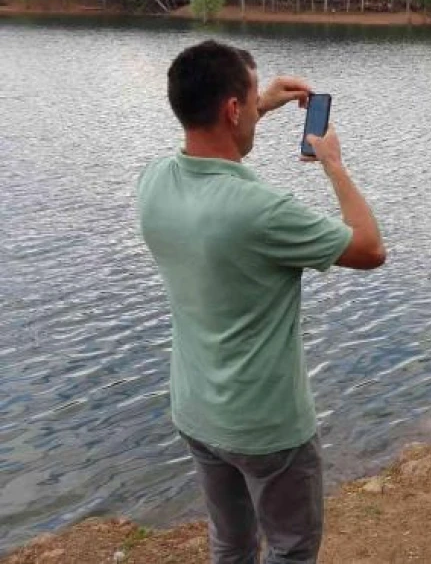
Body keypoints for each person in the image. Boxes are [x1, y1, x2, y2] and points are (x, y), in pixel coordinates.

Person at [137, 40, 387, 564]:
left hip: (197, 411)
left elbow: (198, 140)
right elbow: (369, 249)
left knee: (230, 543)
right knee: (292, 548)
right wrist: (334, 164)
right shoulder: (260, 209)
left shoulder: (153, 183)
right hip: (267, 428)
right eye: (250, 101)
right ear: (232, 110)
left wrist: (262, 102)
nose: (257, 107)